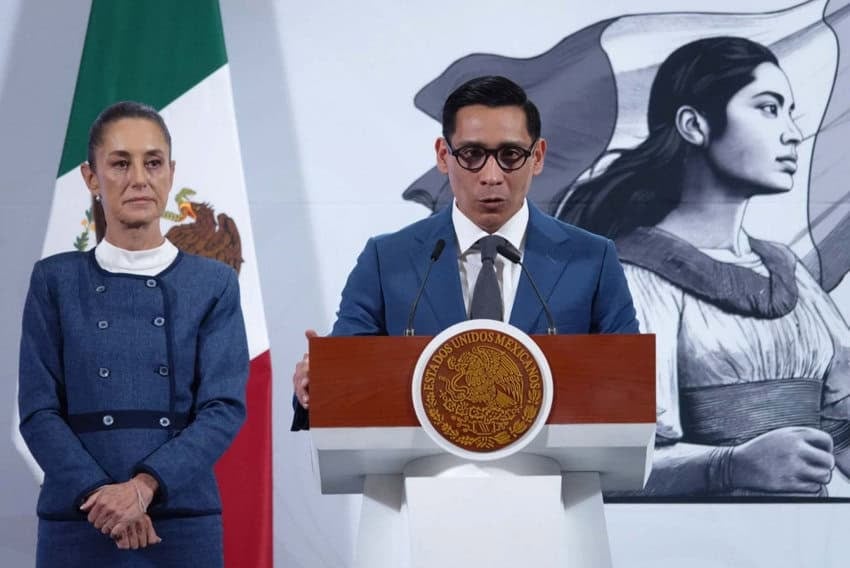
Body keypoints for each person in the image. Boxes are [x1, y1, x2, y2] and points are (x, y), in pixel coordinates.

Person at [559, 36, 850, 497]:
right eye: (769, 108)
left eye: (790, 111)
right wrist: (730, 466)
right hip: (696, 542)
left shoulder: (786, 269)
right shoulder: (631, 275)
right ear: (694, 125)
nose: (793, 132)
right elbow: (612, 461)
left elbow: (842, 425)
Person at [291, 75, 639, 430]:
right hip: (423, 478)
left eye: (510, 155)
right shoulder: (387, 261)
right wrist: (319, 382)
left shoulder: (592, 261)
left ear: (537, 157)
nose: (491, 176)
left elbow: (631, 387)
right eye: (472, 154)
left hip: (557, 477)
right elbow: (347, 376)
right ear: (444, 156)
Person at [18, 101, 249, 566]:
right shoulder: (54, 281)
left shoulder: (213, 283)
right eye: (120, 163)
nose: (139, 178)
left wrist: (144, 488)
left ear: (171, 172)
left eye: (153, 162)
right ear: (91, 178)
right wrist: (105, 498)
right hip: (80, 518)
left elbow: (223, 408)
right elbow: (39, 410)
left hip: (179, 519)